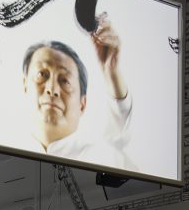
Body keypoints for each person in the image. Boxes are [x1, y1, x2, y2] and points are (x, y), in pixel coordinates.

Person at [21, 32, 132, 168]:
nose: (52, 89)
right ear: (25, 85)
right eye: (42, 74)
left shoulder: (104, 157)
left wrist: (113, 73)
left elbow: (120, 129)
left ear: (82, 104)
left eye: (65, 81)